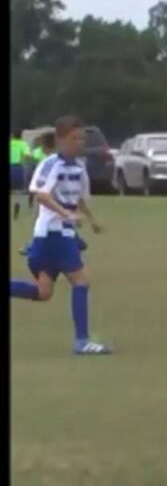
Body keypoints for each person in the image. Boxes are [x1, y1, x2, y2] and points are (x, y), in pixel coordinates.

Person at [9, 115, 112, 355]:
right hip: (52, 234)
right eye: (74, 138)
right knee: (81, 280)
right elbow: (41, 194)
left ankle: (82, 340)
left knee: (43, 292)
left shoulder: (79, 167)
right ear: (61, 140)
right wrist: (66, 214)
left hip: (59, 234)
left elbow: (80, 198)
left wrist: (93, 221)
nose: (80, 143)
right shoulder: (51, 164)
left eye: (82, 139)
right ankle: (82, 341)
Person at [11, 127, 33, 219]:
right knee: (18, 191)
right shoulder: (23, 144)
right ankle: (16, 210)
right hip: (17, 167)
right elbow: (28, 155)